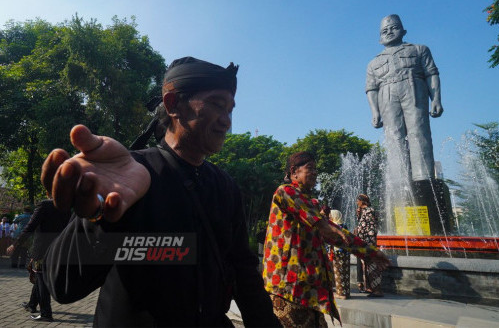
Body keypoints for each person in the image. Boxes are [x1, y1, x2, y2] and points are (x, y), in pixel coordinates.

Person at [41, 57, 281, 327]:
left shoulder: (225, 187)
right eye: (216, 104)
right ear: (173, 104)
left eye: (230, 109)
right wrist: (98, 218)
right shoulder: (129, 175)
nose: (226, 121)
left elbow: (243, 272)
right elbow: (61, 285)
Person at [262, 152, 390, 327]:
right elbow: (323, 225)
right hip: (286, 287)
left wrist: (369, 253)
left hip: (309, 288)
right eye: (310, 168)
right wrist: (329, 227)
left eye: (316, 169)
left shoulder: (312, 204)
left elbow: (333, 233)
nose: (315, 173)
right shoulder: (285, 192)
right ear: (294, 172)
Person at [365, 14, 443, 182]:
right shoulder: (373, 63)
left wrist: (436, 99)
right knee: (393, 136)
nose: (389, 32)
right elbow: (371, 89)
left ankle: (424, 178)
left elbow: (431, 74)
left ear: (403, 30)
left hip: (414, 89)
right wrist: (375, 111)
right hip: (386, 96)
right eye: (384, 30)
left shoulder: (419, 49)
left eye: (394, 27)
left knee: (418, 131)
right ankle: (400, 181)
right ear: (380, 37)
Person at [7, 197, 71, 322]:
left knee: (41, 279)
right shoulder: (66, 205)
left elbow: (30, 227)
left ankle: (46, 313)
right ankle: (32, 304)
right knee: (40, 278)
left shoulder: (44, 205)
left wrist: (15, 244)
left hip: (42, 249)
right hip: (58, 248)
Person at [354, 194, 383, 297]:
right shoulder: (363, 211)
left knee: (372, 266)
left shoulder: (369, 210)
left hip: (368, 242)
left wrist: (367, 243)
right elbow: (362, 225)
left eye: (358, 201)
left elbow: (371, 227)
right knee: (367, 266)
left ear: (363, 201)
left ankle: (376, 290)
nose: (357, 203)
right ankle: (370, 288)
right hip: (364, 242)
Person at [329, 210, 350, 300]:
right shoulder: (344, 225)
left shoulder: (334, 226)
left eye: (331, 215)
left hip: (338, 252)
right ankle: (346, 292)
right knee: (345, 272)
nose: (330, 216)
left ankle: (341, 293)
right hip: (346, 252)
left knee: (338, 272)